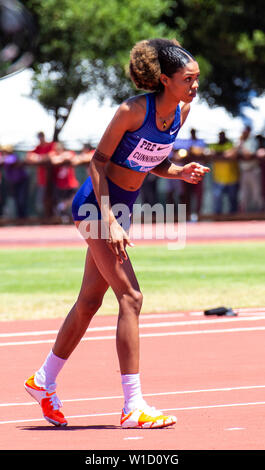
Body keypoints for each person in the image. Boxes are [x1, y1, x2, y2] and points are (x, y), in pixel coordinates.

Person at [24, 38, 210, 429]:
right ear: (164, 79)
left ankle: (43, 380)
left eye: (196, 78)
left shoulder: (180, 110)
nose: (195, 85)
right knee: (131, 296)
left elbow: (152, 159)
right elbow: (97, 164)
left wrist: (178, 171)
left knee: (90, 301)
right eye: (188, 79)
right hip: (96, 205)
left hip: (118, 210)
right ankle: (132, 406)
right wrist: (108, 218)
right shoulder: (131, 110)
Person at [26, 132, 56, 217]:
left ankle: (52, 219)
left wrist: (39, 158)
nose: (41, 139)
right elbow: (29, 157)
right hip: (42, 181)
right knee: (40, 203)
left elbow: (52, 156)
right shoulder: (38, 148)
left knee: (53, 201)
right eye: (39, 137)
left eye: (42, 137)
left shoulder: (51, 145)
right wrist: (41, 158)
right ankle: (44, 219)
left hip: (53, 180)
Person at [209, 131, 239, 215]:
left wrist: (219, 155)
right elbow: (211, 154)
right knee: (217, 203)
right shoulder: (215, 145)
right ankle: (218, 222)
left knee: (233, 202)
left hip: (232, 178)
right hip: (218, 179)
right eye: (220, 136)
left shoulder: (230, 144)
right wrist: (223, 155)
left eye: (223, 136)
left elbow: (231, 154)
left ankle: (234, 221)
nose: (221, 137)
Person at [1, 145, 29, 219]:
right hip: (13, 183)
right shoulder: (4, 157)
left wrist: (3, 159)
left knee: (21, 200)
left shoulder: (12, 157)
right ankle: (19, 218)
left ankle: (23, 218)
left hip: (22, 182)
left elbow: (9, 160)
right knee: (16, 200)